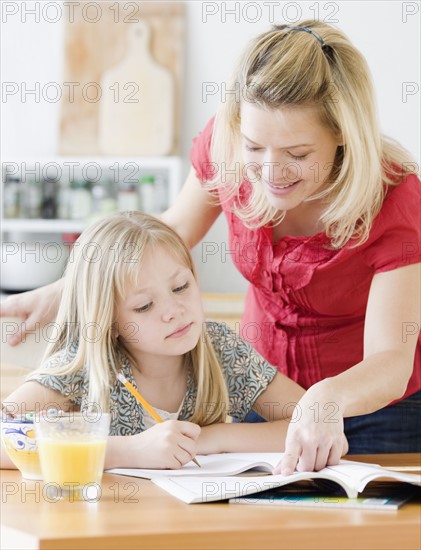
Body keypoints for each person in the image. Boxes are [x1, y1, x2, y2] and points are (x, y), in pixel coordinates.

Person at [1, 21, 420, 473]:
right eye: (254, 147)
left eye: (297, 154)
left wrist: (325, 399)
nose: (270, 171)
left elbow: (389, 358)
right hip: (268, 393)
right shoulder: (227, 149)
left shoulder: (394, 200)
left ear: (343, 134)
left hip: (379, 409)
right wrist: (72, 286)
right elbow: (168, 234)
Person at [1, 211, 317, 471]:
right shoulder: (85, 367)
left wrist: (210, 438)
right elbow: (6, 440)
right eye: (144, 306)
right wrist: (128, 451)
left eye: (180, 287)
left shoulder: (219, 348)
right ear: (110, 323)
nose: (173, 311)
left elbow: (311, 420)